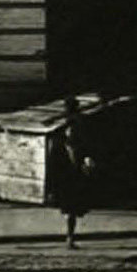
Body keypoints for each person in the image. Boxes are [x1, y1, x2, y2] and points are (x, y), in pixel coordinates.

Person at [50, 97, 95, 248]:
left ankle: (70, 237)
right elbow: (54, 167)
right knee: (70, 212)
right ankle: (70, 238)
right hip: (66, 181)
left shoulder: (76, 144)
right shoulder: (60, 147)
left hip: (73, 180)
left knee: (72, 212)